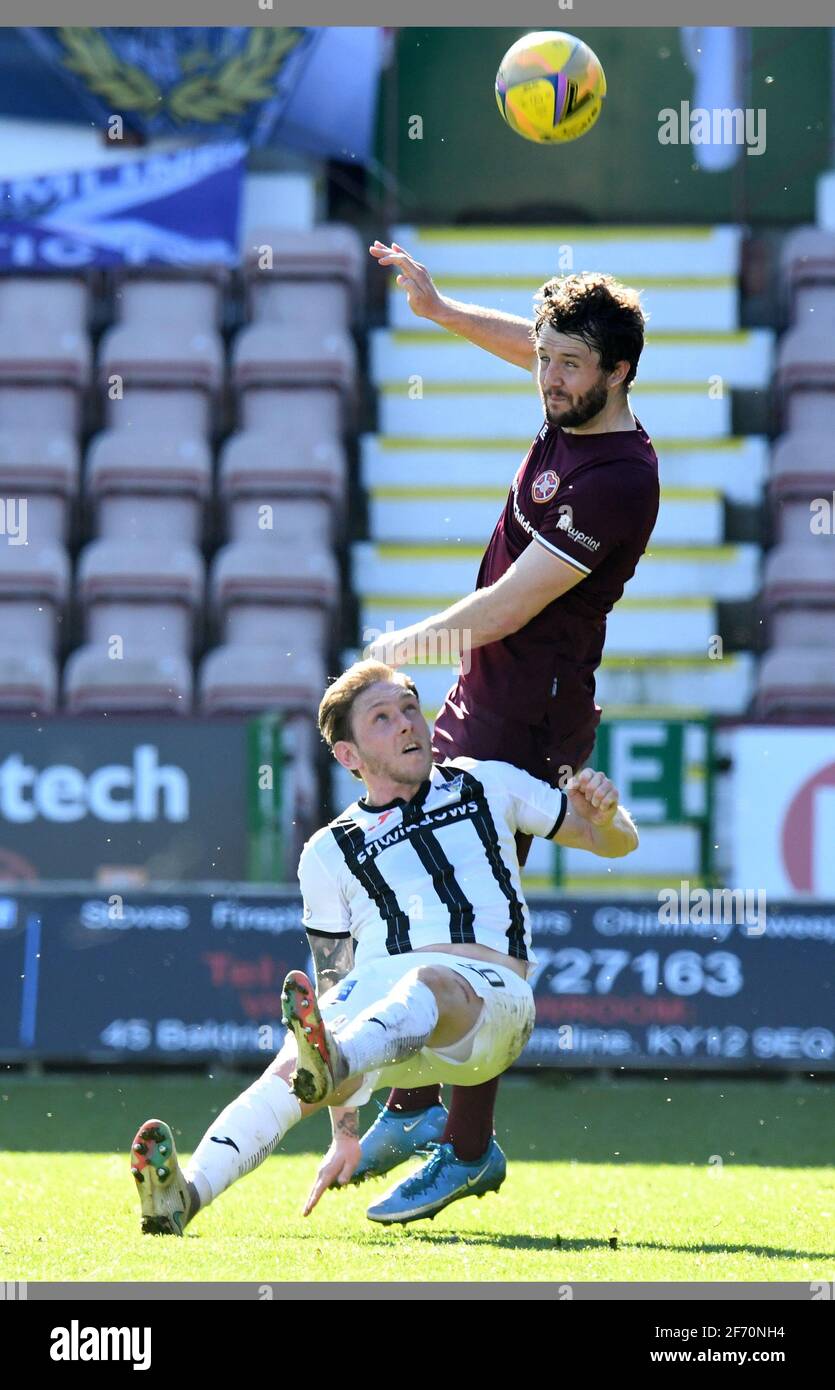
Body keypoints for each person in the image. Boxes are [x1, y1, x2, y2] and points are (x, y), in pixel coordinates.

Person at [349, 240, 660, 1219]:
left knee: (475, 925)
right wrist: (439, 309)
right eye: (544, 358)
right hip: (483, 696)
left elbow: (512, 605)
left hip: (530, 715)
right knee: (414, 880)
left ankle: (464, 1146)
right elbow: (525, 345)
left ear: (618, 373)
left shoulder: (616, 477)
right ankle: (411, 1104)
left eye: (570, 364)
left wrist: (397, 643)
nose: (549, 376)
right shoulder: (566, 402)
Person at [131, 662, 639, 1234]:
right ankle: (183, 1198)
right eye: (382, 718)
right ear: (349, 757)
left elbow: (611, 841)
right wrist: (345, 1133)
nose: (407, 725)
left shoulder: (484, 781)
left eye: (408, 709)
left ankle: (345, 1065)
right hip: (377, 1025)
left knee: (424, 984)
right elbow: (331, 991)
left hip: (486, 1009)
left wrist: (606, 815)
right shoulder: (326, 851)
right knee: (286, 1072)